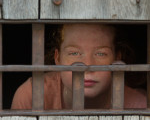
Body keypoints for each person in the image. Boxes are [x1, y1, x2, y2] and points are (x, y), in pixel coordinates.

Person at [11, 24, 146, 109]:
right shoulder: (32, 95)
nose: (86, 65)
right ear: (57, 58)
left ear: (117, 58)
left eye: (100, 54)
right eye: (74, 53)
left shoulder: (138, 105)